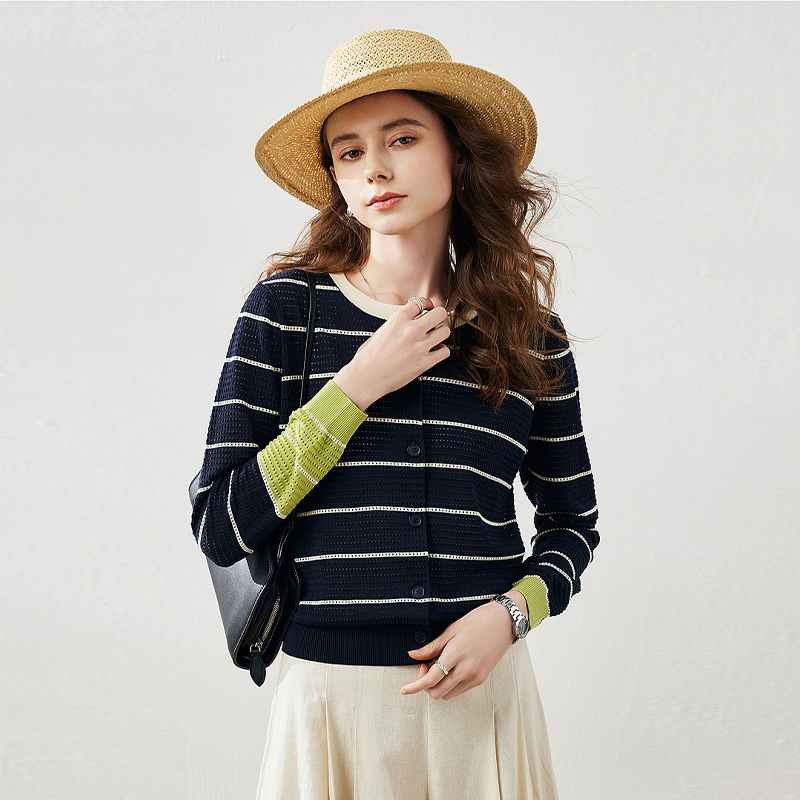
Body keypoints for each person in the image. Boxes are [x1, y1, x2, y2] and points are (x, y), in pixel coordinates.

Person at [191, 28, 599, 800]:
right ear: (337, 179)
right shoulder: (287, 312)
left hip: (486, 702)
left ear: (457, 153)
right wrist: (353, 389)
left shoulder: (529, 334)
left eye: (402, 138)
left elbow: (573, 524)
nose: (374, 167)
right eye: (348, 152)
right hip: (331, 708)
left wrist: (511, 615)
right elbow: (221, 525)